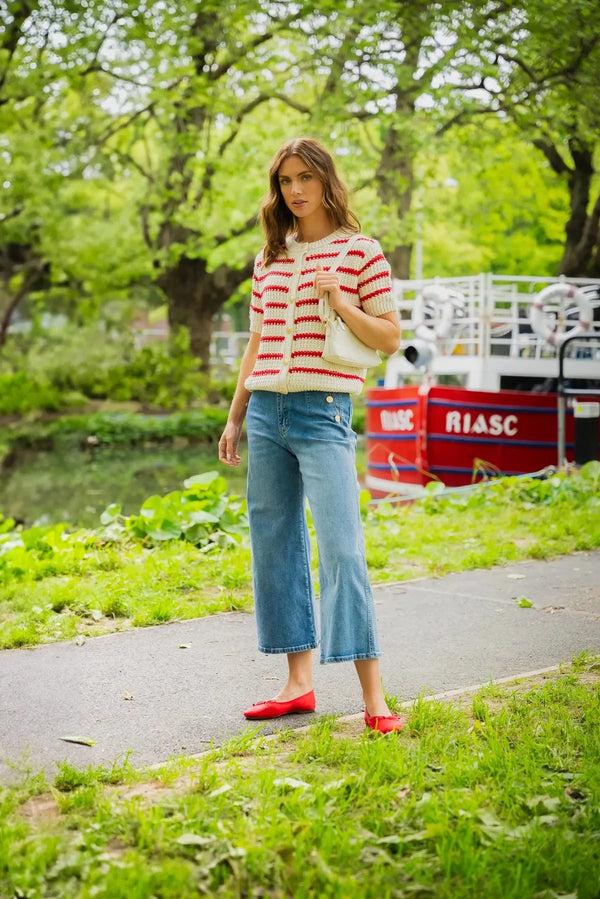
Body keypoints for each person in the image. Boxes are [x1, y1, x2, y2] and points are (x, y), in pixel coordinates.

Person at [218, 136, 405, 734]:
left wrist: (340, 303)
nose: (293, 190)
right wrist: (235, 414)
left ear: (326, 179)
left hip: (323, 411)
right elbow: (256, 341)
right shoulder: (269, 256)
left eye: (303, 177)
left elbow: (388, 337)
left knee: (343, 549)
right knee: (276, 547)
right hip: (268, 412)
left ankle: (373, 698)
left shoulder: (360, 252)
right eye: (284, 181)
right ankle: (298, 685)